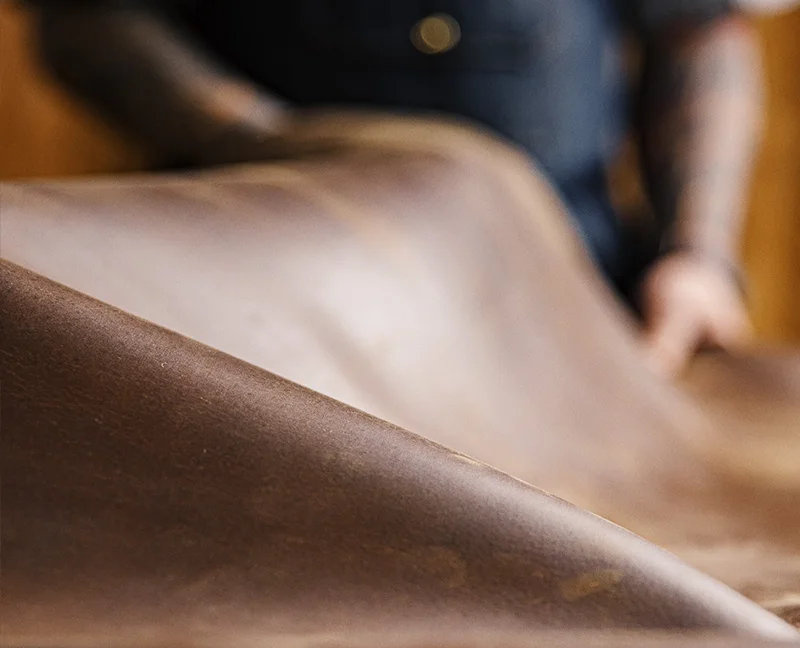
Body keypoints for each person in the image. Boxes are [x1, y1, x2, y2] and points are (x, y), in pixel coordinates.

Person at [29, 1, 767, 375]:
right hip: (267, 307)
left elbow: (697, 31)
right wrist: (271, 140)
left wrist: (696, 255)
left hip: (569, 311)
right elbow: (90, 19)